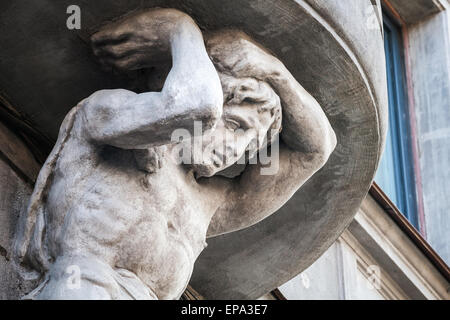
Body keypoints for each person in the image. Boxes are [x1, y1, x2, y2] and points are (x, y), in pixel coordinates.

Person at [13, 8, 336, 300]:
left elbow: (315, 151)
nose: (236, 150)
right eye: (236, 126)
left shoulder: (209, 205)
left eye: (250, 144)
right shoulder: (104, 120)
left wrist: (275, 71)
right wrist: (180, 30)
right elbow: (195, 107)